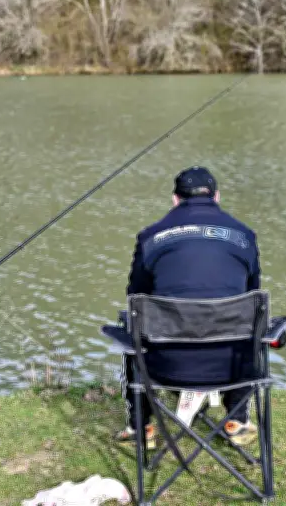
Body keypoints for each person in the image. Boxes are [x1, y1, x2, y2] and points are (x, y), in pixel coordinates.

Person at [115, 166, 261, 448]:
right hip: (230, 367)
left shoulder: (150, 237)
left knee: (132, 326)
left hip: (164, 365)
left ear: (175, 199)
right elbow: (252, 293)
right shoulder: (245, 236)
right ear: (217, 197)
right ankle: (237, 420)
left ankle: (141, 428)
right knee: (247, 324)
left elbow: (135, 295)